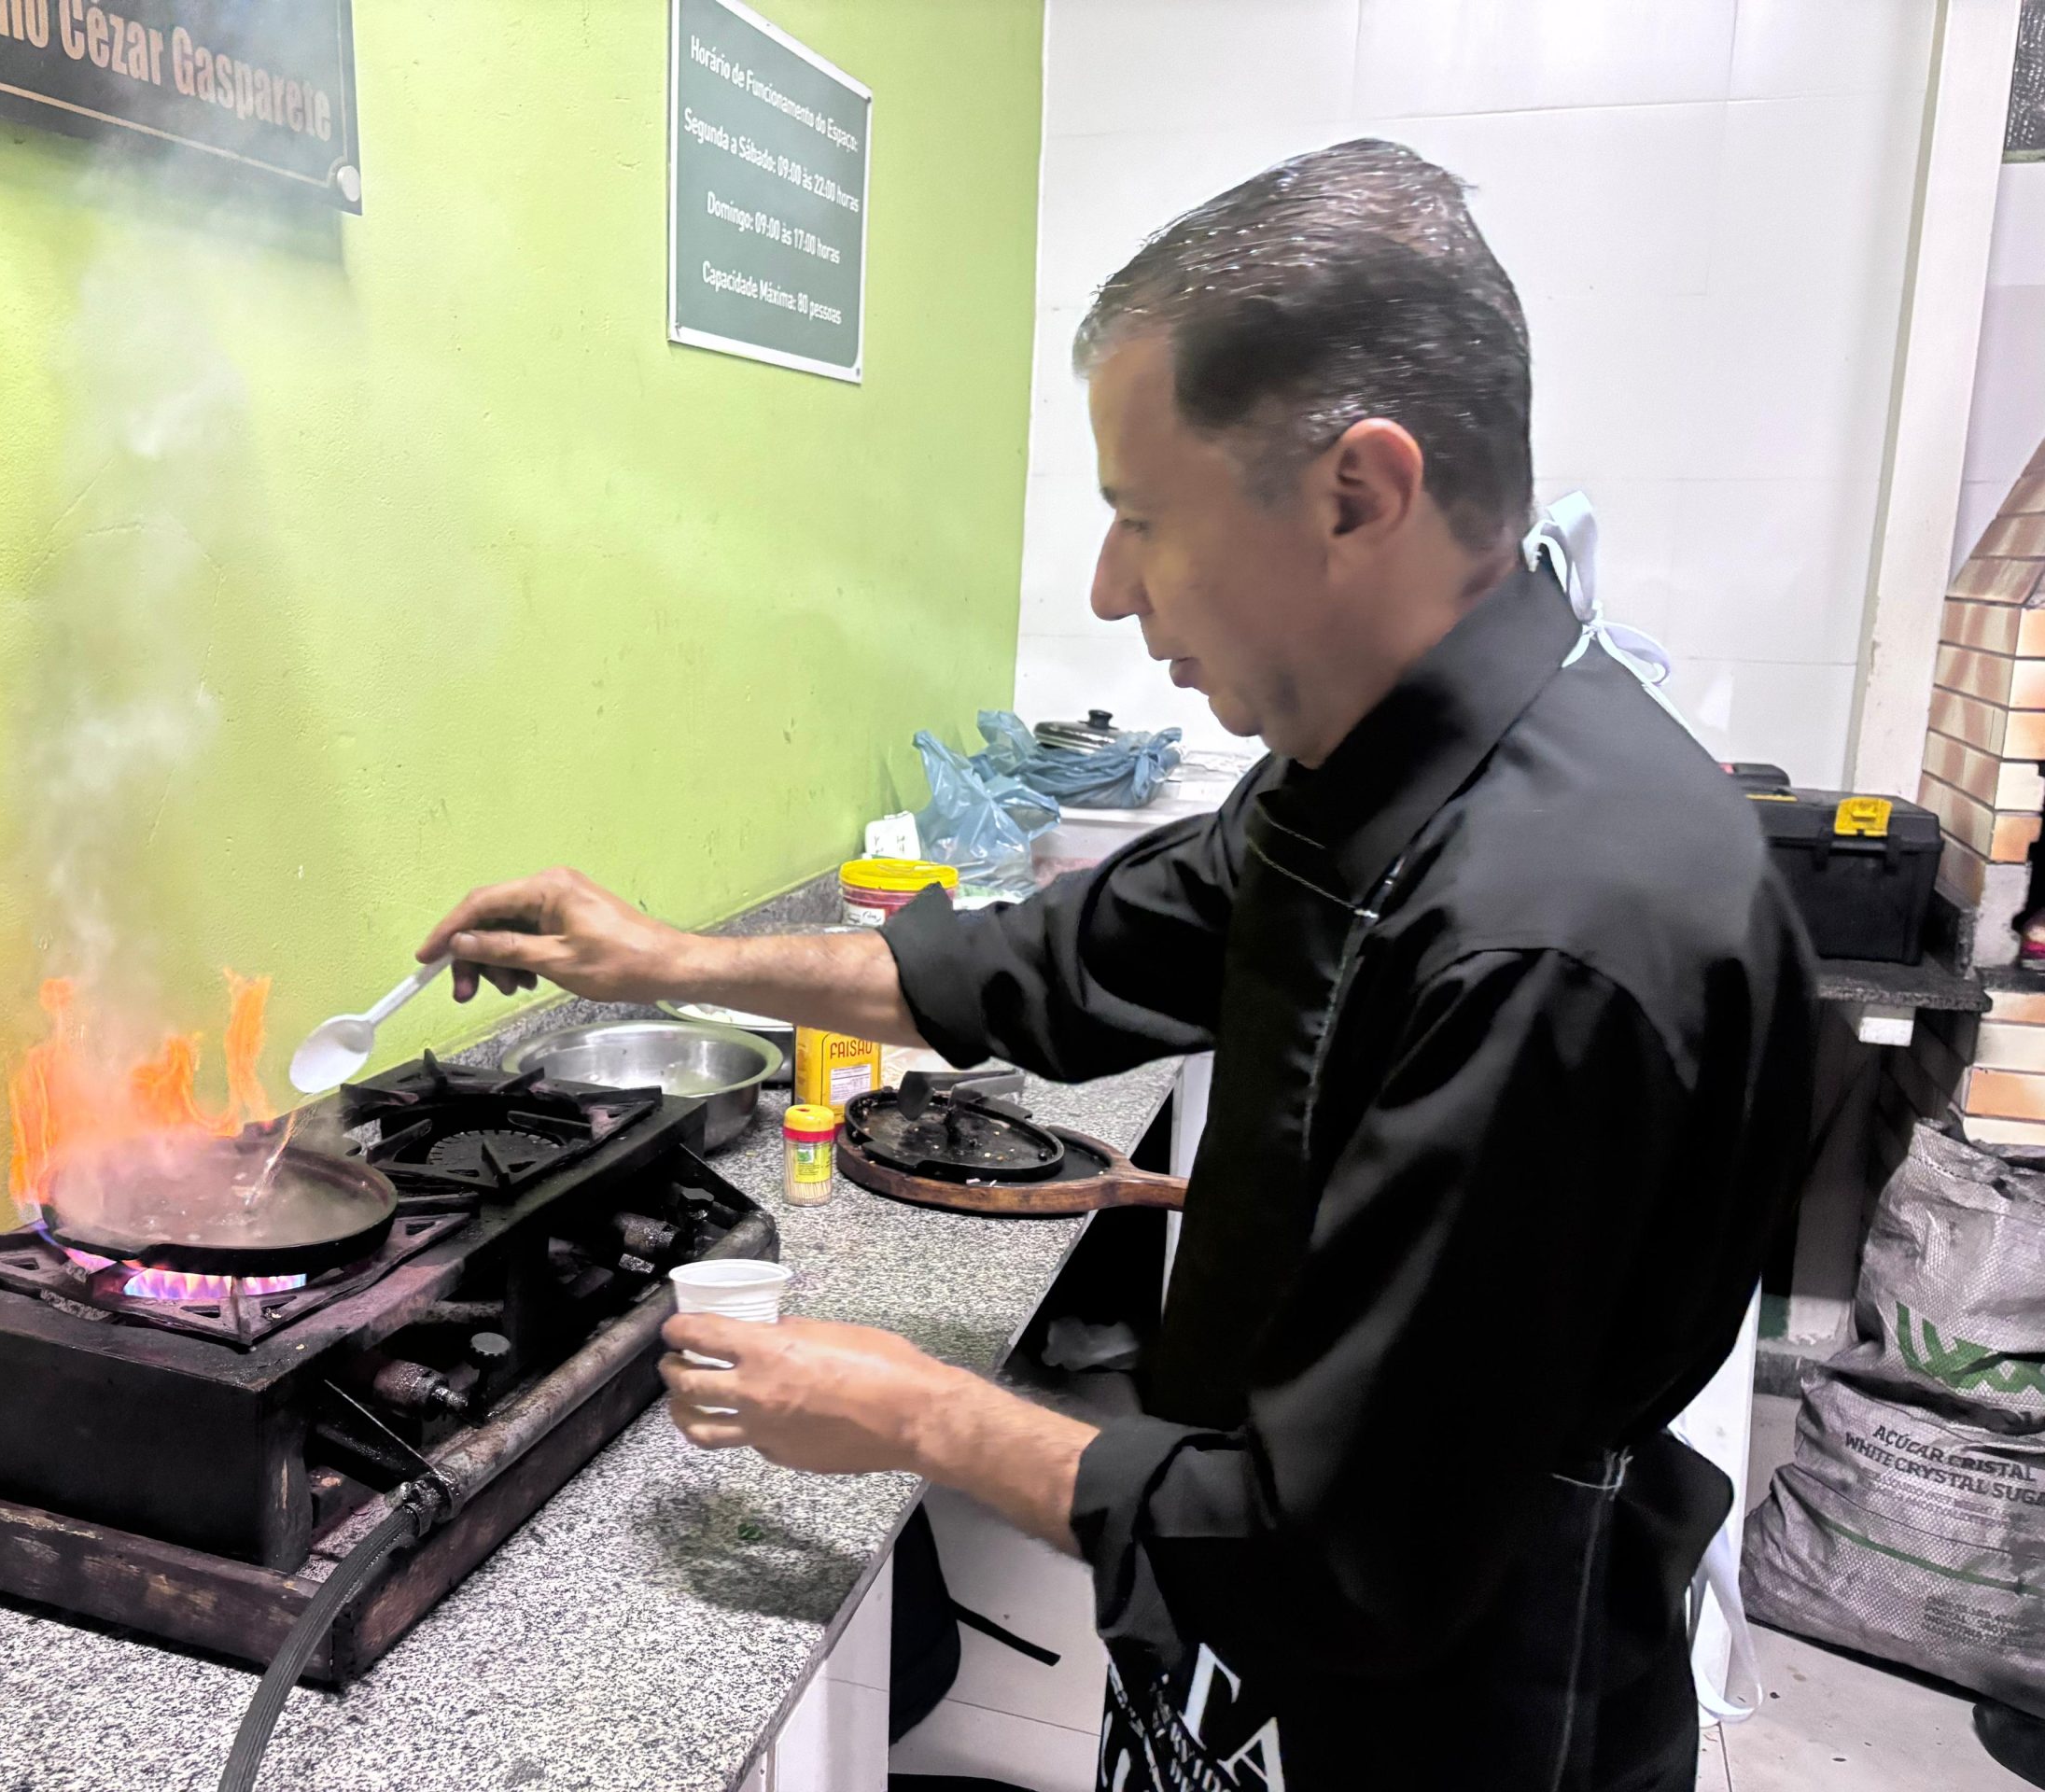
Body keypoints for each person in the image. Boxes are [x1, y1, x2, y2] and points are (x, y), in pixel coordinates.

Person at [417, 140, 1816, 1792]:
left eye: (1142, 520)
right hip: (1250, 1622)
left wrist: (919, 1412)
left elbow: (1340, 1560)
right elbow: (1053, 964)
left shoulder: (1552, 941)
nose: (1106, 588)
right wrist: (660, 959)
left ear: (1358, 494)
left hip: (1446, 1712)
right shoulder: (1368, 765)